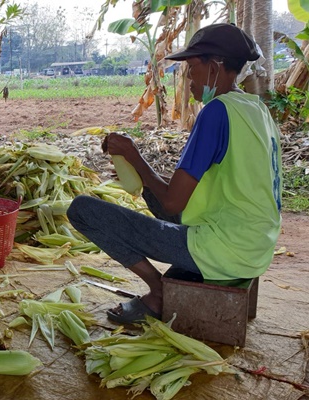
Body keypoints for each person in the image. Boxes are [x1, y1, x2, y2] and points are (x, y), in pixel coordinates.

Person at [67, 23, 282, 324]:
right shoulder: (255, 109)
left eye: (192, 67)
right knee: (150, 193)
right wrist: (140, 169)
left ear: (215, 66)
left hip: (227, 248)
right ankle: (166, 285)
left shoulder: (216, 112)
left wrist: (133, 155)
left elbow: (173, 203)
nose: (189, 77)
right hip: (256, 243)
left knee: (83, 211)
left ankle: (158, 292)